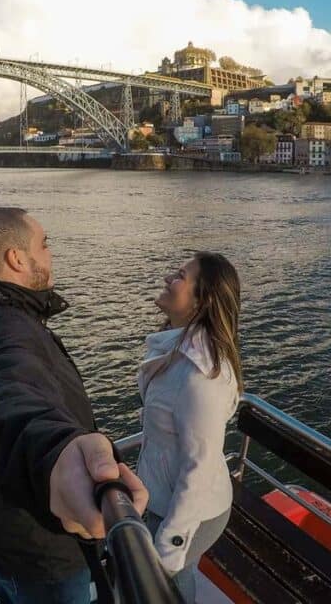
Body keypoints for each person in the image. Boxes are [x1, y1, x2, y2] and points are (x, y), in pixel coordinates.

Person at [0, 207, 147, 604]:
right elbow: (13, 391)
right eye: (44, 245)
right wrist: (54, 453)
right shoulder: (4, 327)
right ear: (16, 258)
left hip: (6, 538)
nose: (50, 254)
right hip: (40, 547)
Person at [136, 252, 243, 603]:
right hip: (161, 495)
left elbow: (198, 469)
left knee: (170, 583)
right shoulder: (176, 349)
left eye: (180, 275)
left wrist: (170, 543)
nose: (168, 278)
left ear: (201, 300)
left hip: (186, 511)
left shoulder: (200, 379)